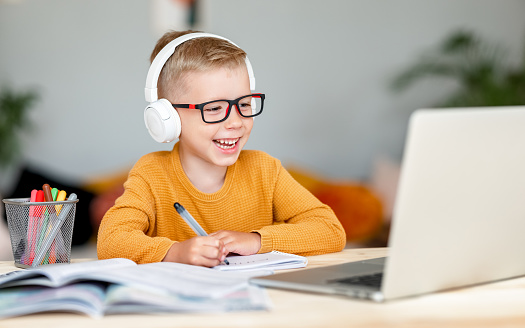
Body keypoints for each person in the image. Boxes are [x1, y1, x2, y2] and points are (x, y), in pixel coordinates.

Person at [97, 30, 346, 267]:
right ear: (167, 117)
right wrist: (176, 252)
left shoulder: (265, 170)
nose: (236, 122)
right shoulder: (151, 174)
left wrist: (256, 241)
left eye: (245, 104)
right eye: (215, 108)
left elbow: (330, 230)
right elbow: (110, 242)